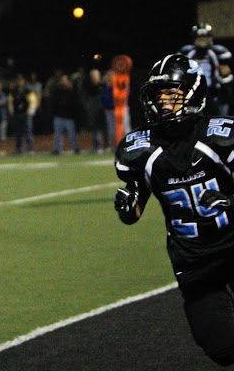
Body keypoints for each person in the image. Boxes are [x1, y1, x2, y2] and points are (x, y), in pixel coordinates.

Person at [114, 54, 234, 366]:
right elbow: (135, 208)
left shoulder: (220, 137)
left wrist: (227, 201)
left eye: (173, 95)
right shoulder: (140, 150)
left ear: (193, 94)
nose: (164, 104)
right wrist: (130, 207)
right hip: (195, 263)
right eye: (158, 96)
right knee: (223, 349)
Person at [178, 22, 233, 115]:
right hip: (193, 93)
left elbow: (225, 73)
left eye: (205, 37)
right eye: (200, 37)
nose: (203, 40)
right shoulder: (187, 52)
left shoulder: (219, 52)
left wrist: (224, 75)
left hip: (215, 93)